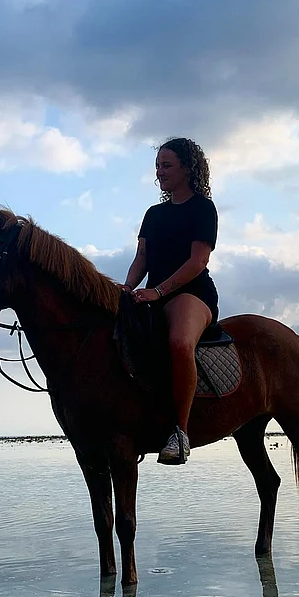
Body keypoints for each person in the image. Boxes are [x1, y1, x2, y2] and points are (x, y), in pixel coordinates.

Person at [123, 137, 219, 464]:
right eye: (158, 166)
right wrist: (126, 288)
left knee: (179, 342)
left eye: (167, 166)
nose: (160, 173)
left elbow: (197, 262)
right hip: (152, 296)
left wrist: (159, 291)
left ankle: (180, 432)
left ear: (188, 169)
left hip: (192, 294)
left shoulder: (203, 209)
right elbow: (141, 259)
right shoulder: (154, 213)